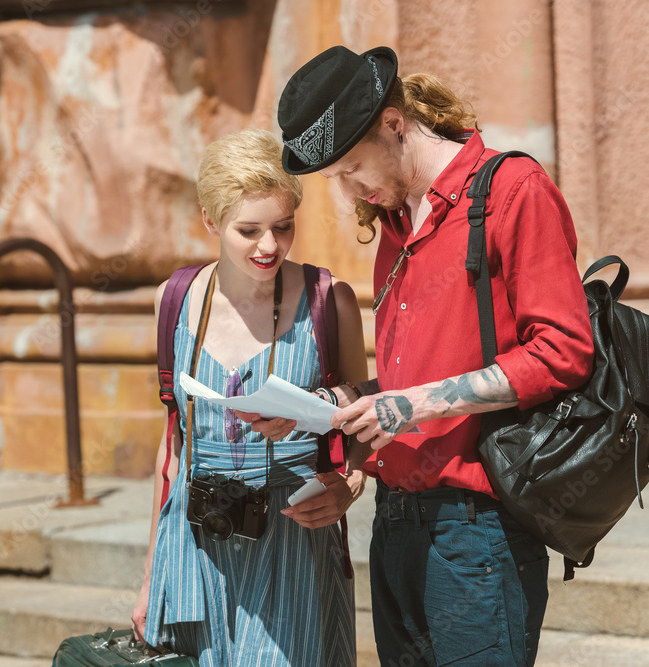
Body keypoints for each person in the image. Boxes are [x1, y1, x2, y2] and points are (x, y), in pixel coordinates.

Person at [267, 46, 595, 666]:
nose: (349, 189)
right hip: (394, 524)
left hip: (479, 535)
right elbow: (407, 380)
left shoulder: (513, 190)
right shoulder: (393, 226)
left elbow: (564, 350)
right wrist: (335, 405)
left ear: (395, 124)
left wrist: (411, 405)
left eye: (351, 167)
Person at [130, 128, 370, 667]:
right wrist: (150, 578)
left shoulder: (330, 302)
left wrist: (350, 482)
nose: (269, 246)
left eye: (283, 227)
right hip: (192, 550)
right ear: (210, 221)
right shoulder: (174, 301)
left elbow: (365, 418)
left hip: (294, 544)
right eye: (248, 230)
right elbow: (172, 449)